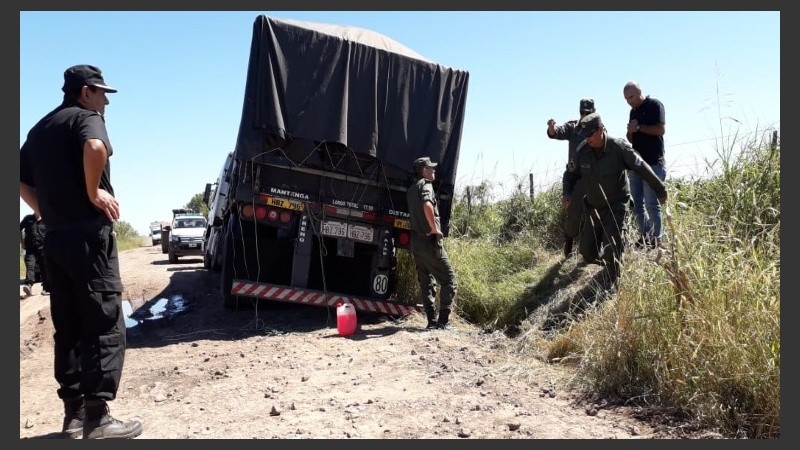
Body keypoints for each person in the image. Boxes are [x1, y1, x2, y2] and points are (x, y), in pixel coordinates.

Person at [19, 64, 143, 439]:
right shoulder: (85, 118)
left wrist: (43, 210)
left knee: (68, 326)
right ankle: (97, 418)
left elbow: (18, 176)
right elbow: (94, 147)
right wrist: (93, 192)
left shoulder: (40, 129)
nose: (106, 102)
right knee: (103, 322)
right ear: (85, 92)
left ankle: (73, 416)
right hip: (89, 239)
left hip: (55, 240)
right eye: (102, 93)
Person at [569, 113, 667, 289]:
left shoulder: (618, 147)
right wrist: (566, 192)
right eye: (584, 136)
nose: (587, 139)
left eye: (590, 134)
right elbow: (571, 174)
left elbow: (642, 167)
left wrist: (659, 188)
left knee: (611, 250)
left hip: (616, 206)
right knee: (587, 253)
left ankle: (614, 282)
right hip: (594, 208)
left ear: (600, 129)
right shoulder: (582, 151)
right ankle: (612, 259)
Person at [406, 157, 458, 330]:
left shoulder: (411, 189)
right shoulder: (426, 185)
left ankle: (431, 321)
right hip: (429, 242)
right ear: (423, 170)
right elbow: (427, 205)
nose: (434, 170)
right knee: (449, 279)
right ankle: (443, 322)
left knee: (426, 282)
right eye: (431, 168)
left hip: (416, 243)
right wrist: (434, 228)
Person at [547, 98, 596, 257]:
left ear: (594, 112)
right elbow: (557, 132)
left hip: (592, 178)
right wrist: (552, 129)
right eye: (582, 112)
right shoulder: (573, 127)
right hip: (573, 177)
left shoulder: (599, 129)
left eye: (588, 112)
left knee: (594, 214)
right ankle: (569, 241)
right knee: (573, 215)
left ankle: (593, 248)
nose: (585, 115)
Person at [623, 81, 667, 249]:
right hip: (636, 165)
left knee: (651, 204)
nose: (629, 101)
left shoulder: (655, 105)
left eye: (631, 97)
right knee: (637, 205)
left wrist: (639, 127)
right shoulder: (632, 112)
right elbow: (631, 139)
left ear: (639, 92)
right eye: (626, 99)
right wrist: (631, 131)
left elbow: (660, 130)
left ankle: (657, 240)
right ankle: (645, 236)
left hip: (654, 163)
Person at [20, 212, 49, 297]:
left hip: (43, 247)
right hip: (30, 247)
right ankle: (28, 285)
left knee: (44, 267)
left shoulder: (46, 219)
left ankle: (46, 289)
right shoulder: (28, 218)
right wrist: (22, 243)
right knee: (30, 265)